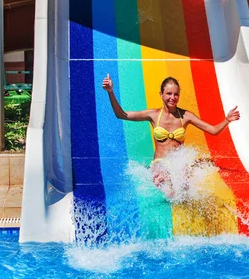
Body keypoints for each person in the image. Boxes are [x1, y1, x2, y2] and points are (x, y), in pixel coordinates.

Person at [102, 74, 240, 199]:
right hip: (160, 164)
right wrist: (110, 92)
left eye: (176, 94)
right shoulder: (153, 115)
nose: (172, 98)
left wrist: (227, 120)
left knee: (185, 189)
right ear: (161, 94)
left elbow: (213, 130)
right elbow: (121, 114)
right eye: (169, 93)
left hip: (177, 164)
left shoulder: (186, 116)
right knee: (168, 188)